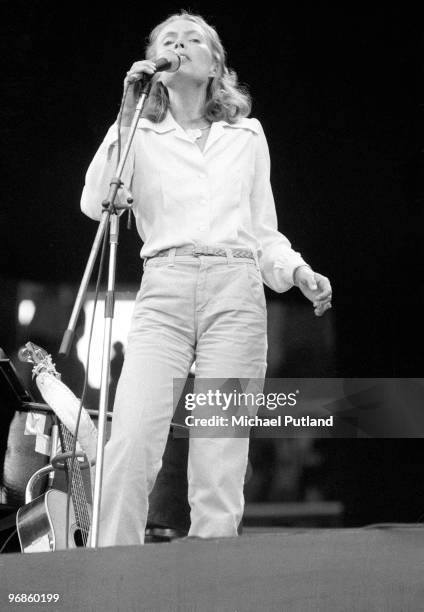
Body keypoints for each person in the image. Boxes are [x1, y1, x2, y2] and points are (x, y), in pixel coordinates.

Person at [81, 11, 332, 546]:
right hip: (164, 290)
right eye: (167, 40)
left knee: (219, 458)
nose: (179, 44)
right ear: (155, 62)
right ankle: (105, 577)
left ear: (214, 62)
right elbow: (94, 200)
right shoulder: (137, 133)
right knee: (130, 441)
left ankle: (207, 589)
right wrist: (125, 117)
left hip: (235, 292)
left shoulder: (246, 135)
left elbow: (263, 231)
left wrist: (296, 270)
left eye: (192, 39)